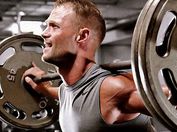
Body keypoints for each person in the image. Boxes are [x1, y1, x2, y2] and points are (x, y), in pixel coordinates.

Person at [23, 0, 169, 131]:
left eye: (54, 26)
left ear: (82, 36)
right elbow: (74, 97)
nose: (44, 33)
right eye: (46, 26)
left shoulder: (112, 88)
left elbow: (172, 99)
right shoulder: (66, 90)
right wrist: (45, 88)